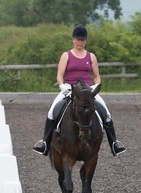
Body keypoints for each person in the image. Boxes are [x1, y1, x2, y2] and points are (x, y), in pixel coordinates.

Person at [33, 25, 126, 156]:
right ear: (73, 40)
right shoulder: (66, 55)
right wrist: (62, 86)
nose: (80, 42)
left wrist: (96, 85)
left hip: (88, 91)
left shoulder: (91, 57)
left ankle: (114, 144)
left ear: (85, 41)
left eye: (82, 40)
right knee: (51, 113)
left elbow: (97, 75)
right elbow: (59, 75)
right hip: (69, 90)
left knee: (107, 114)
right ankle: (45, 144)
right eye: (78, 39)